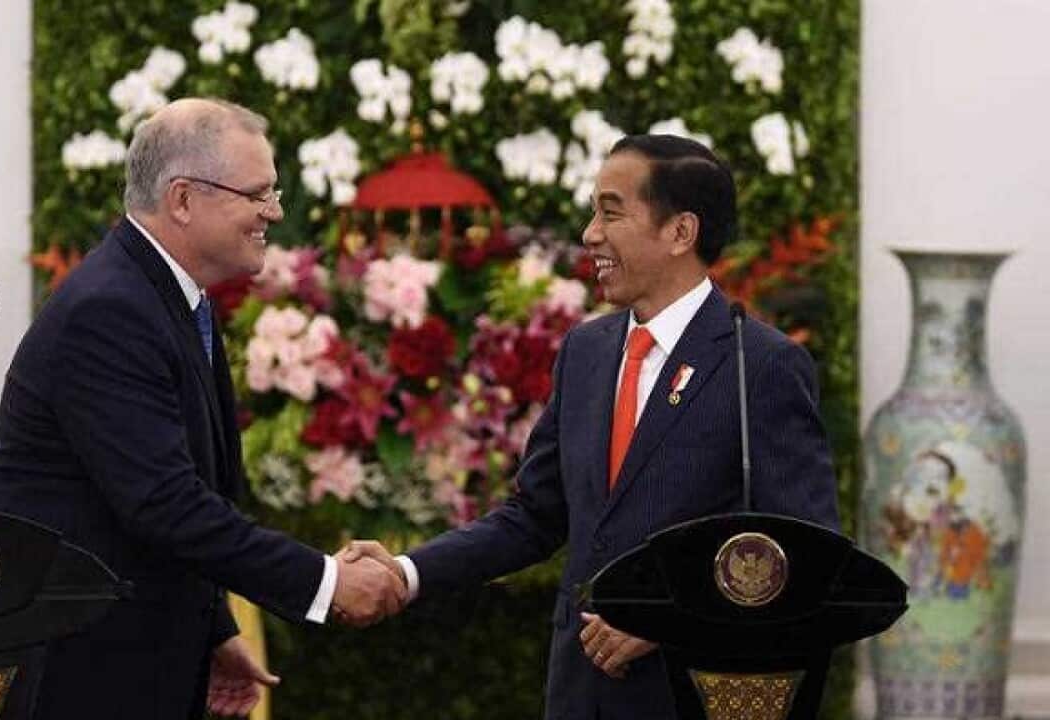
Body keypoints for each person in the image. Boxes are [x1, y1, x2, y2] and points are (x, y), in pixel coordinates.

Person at [346, 135, 840, 719]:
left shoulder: (758, 364)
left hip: (690, 697)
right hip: (581, 696)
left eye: (611, 212)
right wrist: (408, 573)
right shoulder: (586, 350)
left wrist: (670, 617)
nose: (590, 234)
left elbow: (807, 556)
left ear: (680, 232)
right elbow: (534, 515)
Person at [0, 98, 407, 720]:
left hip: (127, 661)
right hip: (75, 674)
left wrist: (212, 629)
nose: (275, 212)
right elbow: (165, 504)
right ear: (182, 199)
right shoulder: (111, 311)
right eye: (257, 194)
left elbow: (181, 493)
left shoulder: (166, 296)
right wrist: (325, 582)